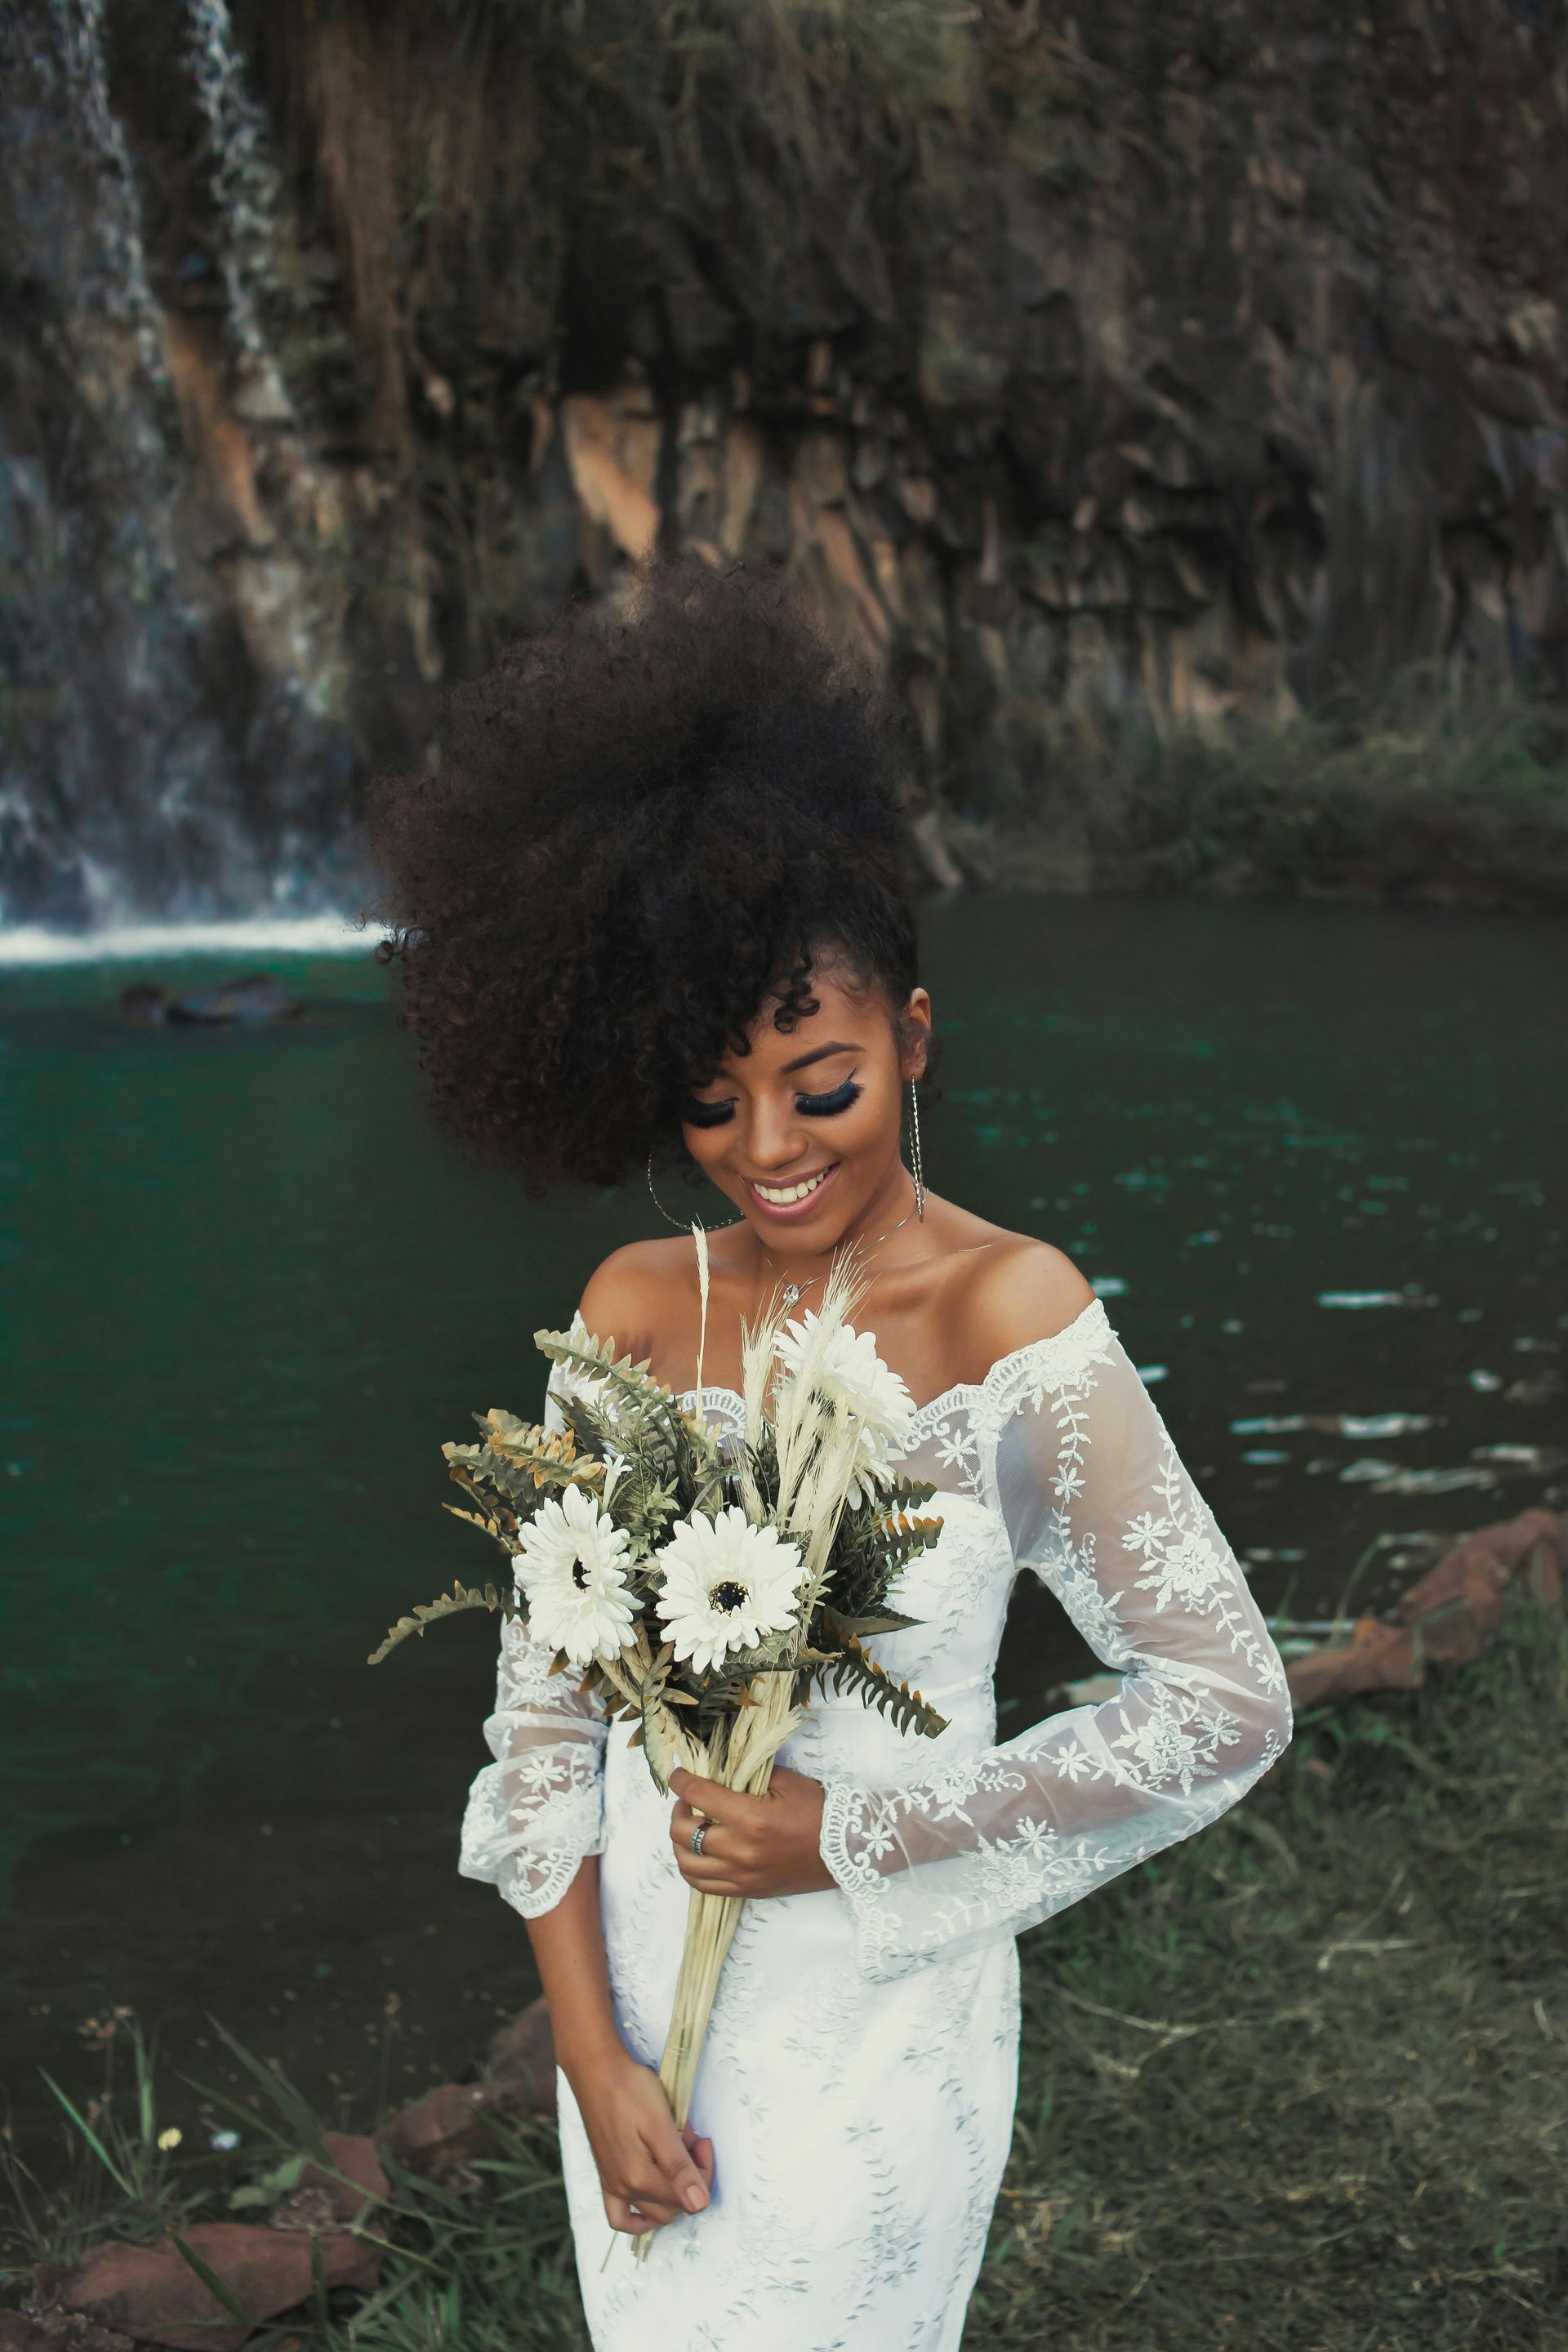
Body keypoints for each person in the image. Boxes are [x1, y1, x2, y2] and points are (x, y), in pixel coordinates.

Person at [371, 564, 1292, 2349]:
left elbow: (1224, 1700)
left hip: (880, 2009)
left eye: (823, 1080)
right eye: (712, 1103)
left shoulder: (1010, 1317)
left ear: (915, 1039)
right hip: (637, 1997)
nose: (769, 1148)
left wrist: (857, 1835)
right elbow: (545, 1727)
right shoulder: (628, 1310)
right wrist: (587, 2050)